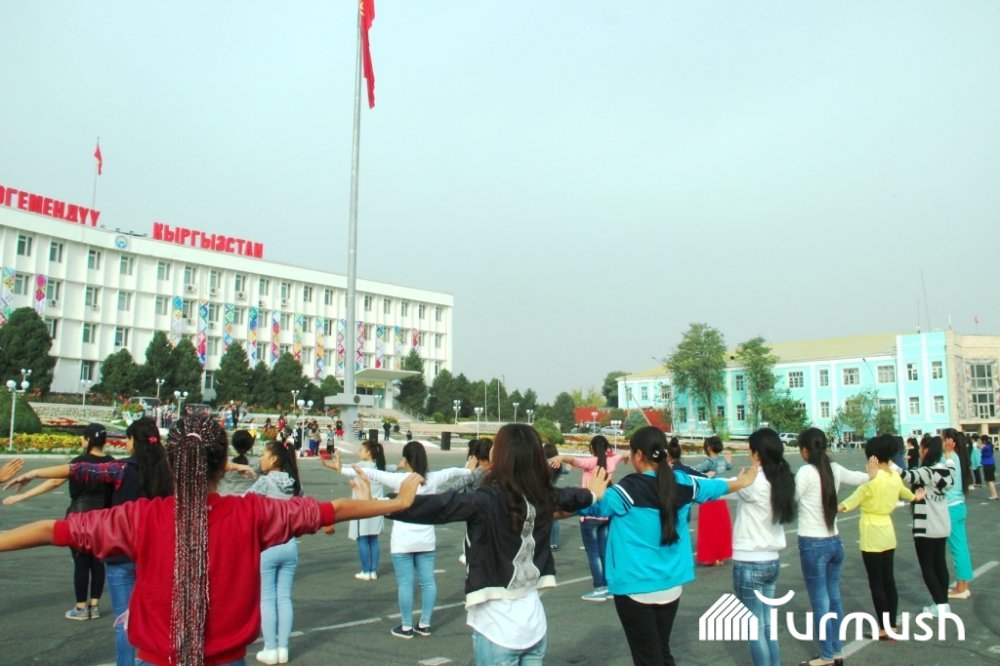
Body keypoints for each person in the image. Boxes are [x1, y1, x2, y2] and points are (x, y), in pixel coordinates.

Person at [0, 415, 421, 666]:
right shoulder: (251, 514)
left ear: (171, 463)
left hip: (157, 658)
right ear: (222, 465)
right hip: (226, 659)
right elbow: (332, 510)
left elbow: (53, 531)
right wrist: (397, 502)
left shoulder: (140, 518)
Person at [386, 423, 607, 665]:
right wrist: (592, 494)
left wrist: (390, 504)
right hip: (535, 627)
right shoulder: (543, 495)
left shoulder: (487, 499)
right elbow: (571, 497)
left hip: (498, 630)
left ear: (502, 455)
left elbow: (442, 506)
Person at [4, 417, 173, 666]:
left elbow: (78, 470)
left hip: (120, 549)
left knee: (125, 622)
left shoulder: (120, 469)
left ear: (131, 441)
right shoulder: (170, 473)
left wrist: (34, 472)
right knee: (158, 619)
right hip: (157, 555)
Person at [580, 426, 755, 665]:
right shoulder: (683, 482)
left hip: (635, 587)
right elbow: (716, 487)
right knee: (661, 651)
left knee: (649, 658)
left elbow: (588, 507)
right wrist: (742, 482)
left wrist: (592, 493)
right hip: (671, 586)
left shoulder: (626, 491)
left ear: (638, 455)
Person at [324, 440, 472, 639]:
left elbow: (372, 473)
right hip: (426, 540)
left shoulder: (401, 480)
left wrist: (342, 469)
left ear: (406, 460)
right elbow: (453, 471)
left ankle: (406, 626)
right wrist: (469, 470)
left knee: (405, 584)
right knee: (428, 583)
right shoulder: (433, 478)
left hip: (403, 541)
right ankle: (425, 624)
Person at [4, 423, 115, 621]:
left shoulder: (80, 462)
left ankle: (81, 607)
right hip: (104, 520)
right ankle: (95, 605)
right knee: (98, 562)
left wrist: (22, 496)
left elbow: (55, 481)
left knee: (81, 563)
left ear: (87, 439)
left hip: (79, 518)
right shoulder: (112, 464)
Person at [793, 428, 874, 666]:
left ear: (805, 450)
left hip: (813, 543)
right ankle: (836, 651)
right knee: (834, 599)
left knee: (820, 603)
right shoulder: (834, 468)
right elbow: (858, 477)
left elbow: (791, 499)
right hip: (834, 541)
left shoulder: (806, 472)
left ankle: (826, 655)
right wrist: (871, 474)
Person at [839, 434, 919, 639]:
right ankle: (892, 625)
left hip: (871, 532)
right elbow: (908, 495)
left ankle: (884, 628)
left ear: (872, 457)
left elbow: (849, 502)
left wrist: (830, 508)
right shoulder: (894, 477)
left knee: (876, 583)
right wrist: (918, 496)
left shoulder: (871, 480)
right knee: (888, 581)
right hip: (888, 531)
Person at [731, 428, 796, 666]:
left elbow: (724, 489)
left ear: (756, 453)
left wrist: (740, 479)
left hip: (749, 561)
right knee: (767, 626)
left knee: (754, 628)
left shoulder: (753, 482)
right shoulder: (782, 479)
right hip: (771, 560)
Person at [246, 440, 302, 665]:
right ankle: (283, 648)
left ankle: (270, 648)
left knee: (267, 598)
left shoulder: (264, 482)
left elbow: (243, 503)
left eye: (264, 455)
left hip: (268, 545)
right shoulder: (294, 483)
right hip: (290, 544)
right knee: (284, 597)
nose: (261, 458)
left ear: (274, 459)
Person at [549, 435, 625, 601]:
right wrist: (617, 455)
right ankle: (609, 587)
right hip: (606, 512)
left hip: (590, 510)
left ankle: (599, 589)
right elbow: (624, 455)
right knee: (604, 551)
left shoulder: (591, 462)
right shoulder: (612, 461)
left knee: (593, 553)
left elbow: (574, 460)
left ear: (592, 448)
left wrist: (560, 457)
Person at [901, 435, 954, 616]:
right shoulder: (946, 470)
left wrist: (887, 461)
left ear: (926, 450)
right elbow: (952, 467)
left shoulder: (926, 472)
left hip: (926, 526)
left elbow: (906, 475)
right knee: (940, 564)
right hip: (942, 524)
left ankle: (940, 604)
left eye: (922, 447)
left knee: (928, 567)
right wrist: (949, 455)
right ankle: (942, 604)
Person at [345, 439, 388, 581]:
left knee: (363, 538)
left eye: (361, 450)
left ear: (369, 452)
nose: (359, 452)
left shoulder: (361, 466)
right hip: (376, 507)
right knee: (374, 540)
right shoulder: (380, 467)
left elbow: (345, 468)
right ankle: (373, 571)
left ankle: (365, 570)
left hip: (362, 507)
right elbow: (392, 468)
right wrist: (400, 465)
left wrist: (335, 464)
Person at [942, 428, 974, 600]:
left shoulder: (949, 458)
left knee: (957, 548)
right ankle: (964, 583)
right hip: (959, 505)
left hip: (951, 507)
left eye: (943, 439)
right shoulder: (959, 457)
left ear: (950, 442)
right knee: (961, 546)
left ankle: (961, 587)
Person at [694, 436, 734, 567]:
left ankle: (712, 556)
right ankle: (720, 556)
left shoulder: (708, 461)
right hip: (721, 496)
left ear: (709, 447)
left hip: (709, 496)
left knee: (709, 528)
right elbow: (729, 466)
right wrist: (729, 460)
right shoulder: (722, 460)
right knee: (721, 527)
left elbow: (696, 470)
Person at [543, 442, 568, 551]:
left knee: (543, 518)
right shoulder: (557, 463)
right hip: (554, 492)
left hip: (543, 491)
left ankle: (545, 542)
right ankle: (554, 543)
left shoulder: (542, 463)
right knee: (555, 519)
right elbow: (566, 471)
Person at [217, 429, 257, 497]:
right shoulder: (259, 463)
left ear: (233, 444)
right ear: (251, 445)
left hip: (225, 498)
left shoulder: (224, 463)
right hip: (247, 500)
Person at [980, 435, 997, 499]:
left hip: (988, 465)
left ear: (984, 440)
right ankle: (994, 494)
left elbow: (979, 447)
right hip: (990, 464)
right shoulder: (990, 445)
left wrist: (979, 442)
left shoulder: (986, 446)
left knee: (990, 481)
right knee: (989, 480)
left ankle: (994, 495)